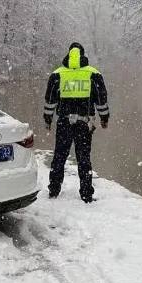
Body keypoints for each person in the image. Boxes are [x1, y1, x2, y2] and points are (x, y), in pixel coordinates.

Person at [43, 42, 109, 203]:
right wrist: (104, 118)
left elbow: (50, 100)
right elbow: (101, 100)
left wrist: (48, 119)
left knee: (59, 156)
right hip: (84, 124)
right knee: (84, 157)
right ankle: (86, 194)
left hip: (64, 123)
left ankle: (54, 190)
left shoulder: (57, 74)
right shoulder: (93, 74)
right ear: (83, 55)